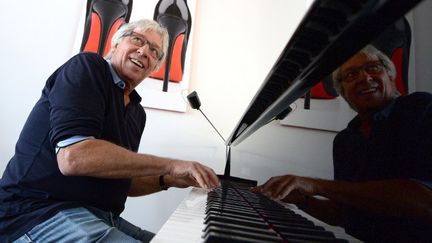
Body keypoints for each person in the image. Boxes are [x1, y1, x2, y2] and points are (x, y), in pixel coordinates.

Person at [0, 19, 220, 242]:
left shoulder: (137, 113)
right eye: (137, 39)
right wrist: (171, 164)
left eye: (154, 51)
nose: (144, 51)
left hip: (101, 216)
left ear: (154, 67)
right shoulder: (88, 67)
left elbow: (122, 182)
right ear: (115, 45)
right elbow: (74, 157)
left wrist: (169, 179)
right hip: (36, 213)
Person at [252, 45, 432, 242]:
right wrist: (303, 200)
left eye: (372, 68)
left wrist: (317, 185)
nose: (364, 77)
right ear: (344, 92)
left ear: (390, 76)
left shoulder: (421, 108)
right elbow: (347, 215)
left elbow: (425, 202)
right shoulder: (345, 140)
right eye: (351, 74)